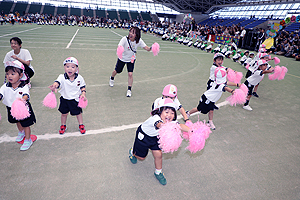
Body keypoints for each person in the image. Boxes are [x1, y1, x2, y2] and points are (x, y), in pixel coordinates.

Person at [129, 98, 190, 185]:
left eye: (172, 113)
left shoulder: (171, 122)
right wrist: (167, 127)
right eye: (166, 112)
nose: (169, 115)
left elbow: (180, 125)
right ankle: (132, 151)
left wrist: (192, 131)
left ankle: (158, 172)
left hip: (156, 137)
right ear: (160, 112)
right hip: (144, 137)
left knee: (158, 155)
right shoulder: (155, 118)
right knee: (141, 157)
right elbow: (159, 125)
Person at [0, 60, 36, 151]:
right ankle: (21, 132)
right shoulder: (5, 86)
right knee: (17, 121)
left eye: (13, 74)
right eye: (7, 74)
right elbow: (1, 94)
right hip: (11, 107)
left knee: (26, 124)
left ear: (20, 75)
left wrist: (23, 99)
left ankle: (28, 140)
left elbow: (26, 94)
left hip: (22, 108)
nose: (9, 76)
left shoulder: (24, 86)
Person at [109, 27, 152, 97]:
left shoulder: (139, 41)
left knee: (130, 74)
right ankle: (112, 78)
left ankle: (129, 90)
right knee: (117, 71)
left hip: (131, 59)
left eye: (133, 33)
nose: (130, 34)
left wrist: (151, 48)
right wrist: (120, 48)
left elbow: (146, 48)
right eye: (130, 31)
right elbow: (119, 45)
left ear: (136, 35)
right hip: (122, 58)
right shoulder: (124, 39)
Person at [48, 57, 87, 134]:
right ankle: (63, 125)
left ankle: (81, 125)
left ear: (76, 68)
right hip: (64, 99)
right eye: (67, 66)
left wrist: (83, 94)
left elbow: (82, 87)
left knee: (78, 113)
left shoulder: (79, 78)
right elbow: (57, 82)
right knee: (64, 114)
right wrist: (54, 85)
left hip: (75, 100)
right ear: (64, 67)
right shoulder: (61, 77)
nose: (70, 69)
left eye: (73, 67)